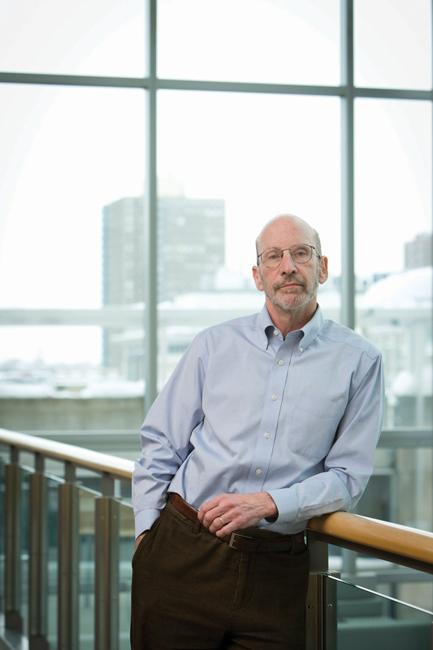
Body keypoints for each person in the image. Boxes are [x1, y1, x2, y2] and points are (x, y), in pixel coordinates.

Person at [131, 214, 383, 650]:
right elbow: (161, 442)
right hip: (183, 553)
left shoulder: (359, 361)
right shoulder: (213, 345)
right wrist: (146, 538)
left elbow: (347, 477)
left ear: (322, 268)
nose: (288, 266)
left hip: (276, 571)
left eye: (300, 253)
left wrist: (270, 503)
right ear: (258, 275)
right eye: (273, 256)